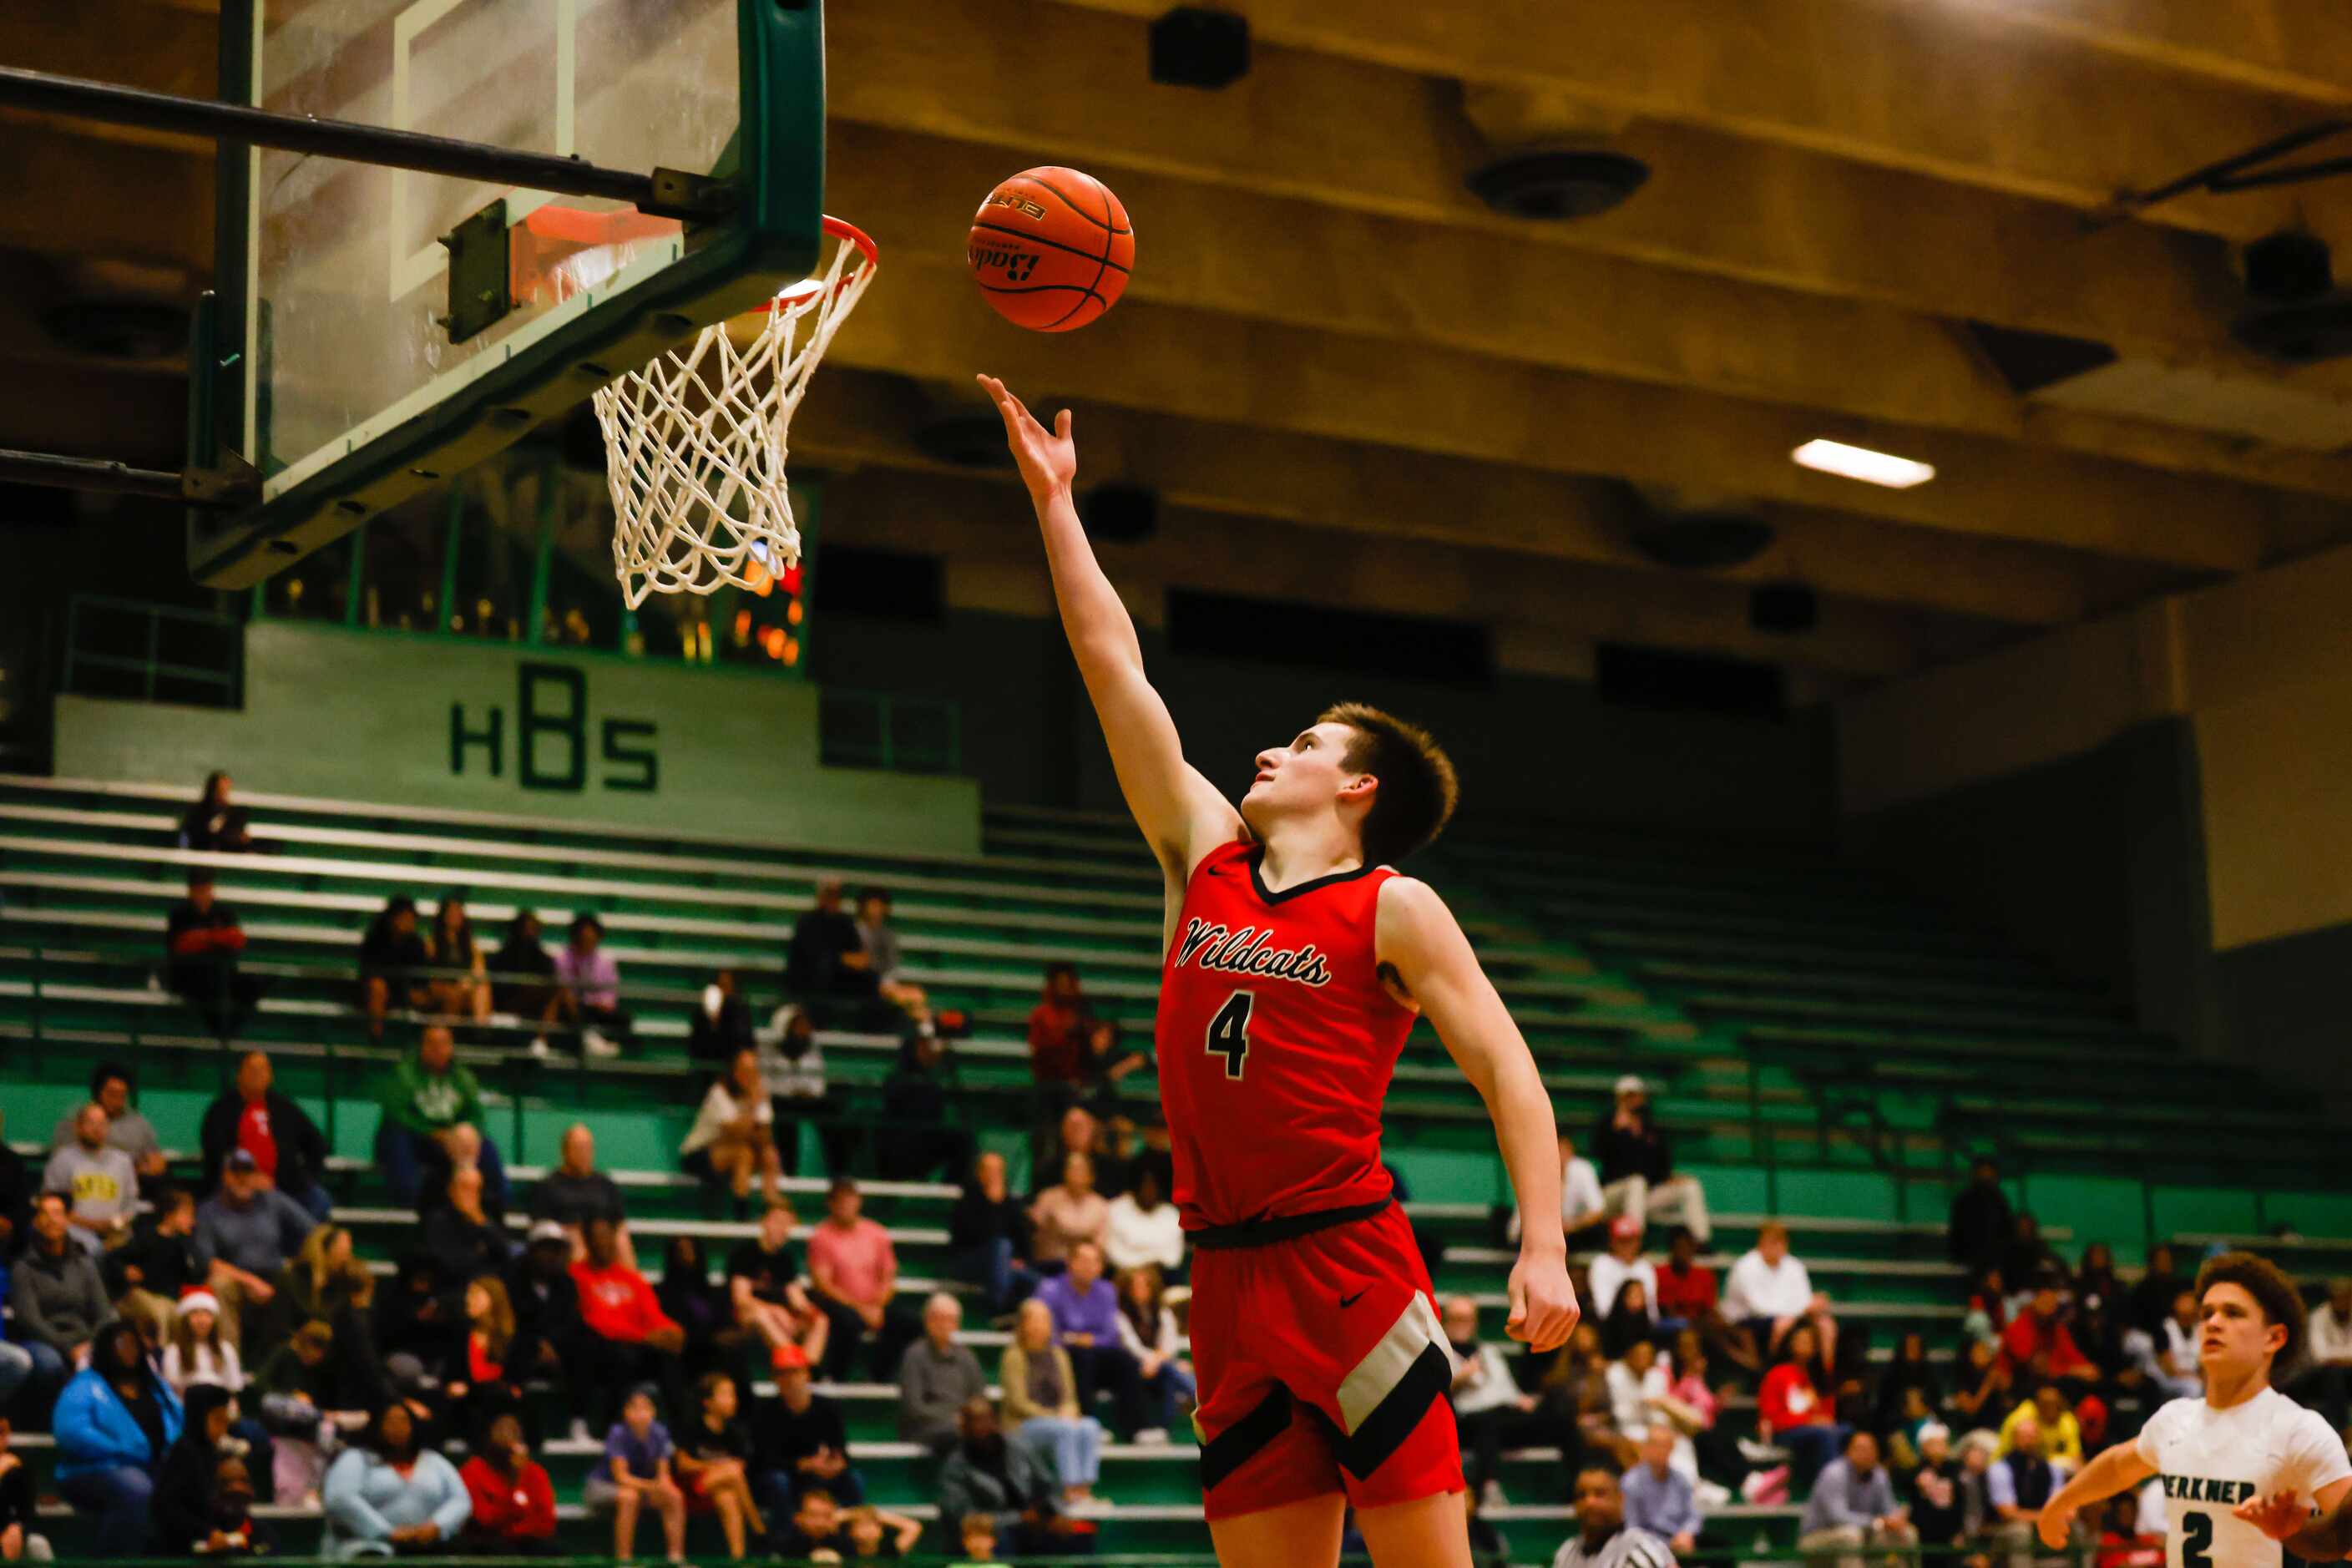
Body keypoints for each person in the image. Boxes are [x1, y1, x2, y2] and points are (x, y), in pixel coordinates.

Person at [984, 372, 1577, 1564]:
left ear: (1358, 787)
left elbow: (1510, 1071)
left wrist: (1545, 1242)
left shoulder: (1393, 907)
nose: (1270, 746)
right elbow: (1115, 671)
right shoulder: (1200, 855)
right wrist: (1056, 503)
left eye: (1304, 742)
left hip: (1346, 1260)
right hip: (1222, 1274)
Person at [2039, 1252, 2352, 1568]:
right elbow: (2119, 1466)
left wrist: (2299, 1532)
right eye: (2207, 1314)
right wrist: (2063, 1501)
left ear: (2273, 1338)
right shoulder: (2175, 1419)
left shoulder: (2299, 1430)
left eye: (2233, 1313)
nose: (2213, 1323)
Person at [54, 1321, 185, 1557]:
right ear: (106, 1348)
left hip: (156, 1466)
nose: (129, 1350)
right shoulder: (84, 1385)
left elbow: (179, 1424)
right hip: (94, 1469)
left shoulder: (157, 1388)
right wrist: (123, 1450)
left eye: (134, 1344)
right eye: (121, 1344)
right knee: (136, 1488)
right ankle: (114, 1561)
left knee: (188, 1483)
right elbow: (71, 1433)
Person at [374, 1024, 508, 1210]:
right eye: (432, 1043)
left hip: (450, 1140)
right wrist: (432, 1132)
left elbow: (476, 1114)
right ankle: (406, 1204)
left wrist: (463, 1132)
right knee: (397, 1138)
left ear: (451, 1047)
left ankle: (497, 1204)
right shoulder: (403, 1073)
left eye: (444, 1043)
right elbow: (397, 1114)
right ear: (422, 1047)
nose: (438, 1049)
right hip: (416, 1137)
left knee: (485, 1145)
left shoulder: (463, 1076)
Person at [571, 1216, 687, 1431]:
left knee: (669, 1358)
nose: (604, 1243)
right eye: (598, 1238)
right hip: (601, 1347)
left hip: (637, 1344)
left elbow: (653, 1314)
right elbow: (594, 1320)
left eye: (607, 1237)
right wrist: (643, 1337)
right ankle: (606, 1427)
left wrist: (672, 1330)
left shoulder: (631, 1278)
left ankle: (680, 1431)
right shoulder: (577, 1275)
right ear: (587, 1241)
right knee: (619, 1355)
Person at [1444, 1295, 1556, 1506]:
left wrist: (1522, 1400)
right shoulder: (1439, 1353)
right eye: (1456, 1318)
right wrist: (1457, 1381)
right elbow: (1432, 1397)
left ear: (1475, 1322)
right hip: (1467, 1420)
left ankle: (1573, 1483)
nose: (1462, 1325)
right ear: (1445, 1321)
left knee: (1559, 1416)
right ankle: (1488, 1485)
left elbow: (1507, 1389)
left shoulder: (1490, 1352)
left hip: (1504, 1415)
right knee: (1487, 1421)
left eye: (1467, 1319)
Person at [322, 1399, 470, 1559]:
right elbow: (340, 1499)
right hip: (366, 1548)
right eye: (390, 1422)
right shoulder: (355, 1459)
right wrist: (387, 1532)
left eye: (403, 1421)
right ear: (377, 1426)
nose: (397, 1428)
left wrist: (437, 1526)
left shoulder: (433, 1460)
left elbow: (460, 1500)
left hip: (426, 1548)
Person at [197, 1149, 315, 1343]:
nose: (243, 1179)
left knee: (295, 1277)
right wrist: (250, 1281)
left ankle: (292, 1357)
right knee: (219, 1284)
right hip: (237, 1279)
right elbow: (209, 1263)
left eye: (248, 1173)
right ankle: (230, 1361)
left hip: (275, 1274)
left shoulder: (272, 1200)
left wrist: (298, 1260)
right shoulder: (208, 1212)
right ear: (225, 1176)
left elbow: (312, 1229)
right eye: (236, 1173)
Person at [200, 1050, 332, 1222]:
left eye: (262, 1070)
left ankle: (296, 1248)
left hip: (283, 1187)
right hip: (238, 1185)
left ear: (270, 1076)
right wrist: (246, 1178)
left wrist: (306, 1176)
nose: (257, 1075)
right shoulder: (221, 1110)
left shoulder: (285, 1108)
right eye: (252, 1070)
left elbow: (317, 1144)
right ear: (239, 1074)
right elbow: (215, 1153)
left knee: (320, 1200)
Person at [1037, 1240, 1145, 1439]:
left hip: (1097, 1352)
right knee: (1082, 1357)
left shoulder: (1107, 1290)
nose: (1089, 1266)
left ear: (1101, 1267)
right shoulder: (1050, 1289)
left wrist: (1091, 1341)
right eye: (1083, 1260)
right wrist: (1073, 1340)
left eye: (1095, 1261)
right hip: (1063, 1356)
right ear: (1070, 1262)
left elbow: (1111, 1334)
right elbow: (1046, 1334)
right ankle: (1088, 1422)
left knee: (1126, 1361)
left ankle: (1135, 1429)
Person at [9, 1193, 104, 1411]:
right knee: (50, 1362)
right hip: (42, 1341)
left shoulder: (84, 1263)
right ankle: (48, 1419)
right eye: (45, 1213)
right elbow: (30, 1320)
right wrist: (69, 1347)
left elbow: (104, 1312)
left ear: (68, 1220)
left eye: (57, 1213)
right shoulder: (23, 1268)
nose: (52, 1219)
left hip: (84, 1338)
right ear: (35, 1222)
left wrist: (95, 1342)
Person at [807, 1178, 906, 1382]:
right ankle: (836, 1376)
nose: (846, 1205)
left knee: (910, 1324)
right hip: (840, 1303)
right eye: (840, 1201)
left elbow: (888, 1276)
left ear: (859, 1201)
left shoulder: (877, 1233)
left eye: (850, 1199)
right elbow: (823, 1284)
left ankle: (880, 1376)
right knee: (847, 1321)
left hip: (874, 1303)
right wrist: (860, 1308)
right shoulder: (821, 1236)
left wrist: (878, 1304)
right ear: (831, 1205)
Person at [1591, 1076, 1710, 1243]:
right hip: (1612, 1195)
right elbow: (1598, 1153)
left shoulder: (1651, 1128)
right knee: (1637, 1183)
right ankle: (1634, 1242)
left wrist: (1671, 1178)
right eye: (1628, 1096)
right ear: (1619, 1099)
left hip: (1643, 1195)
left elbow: (1662, 1165)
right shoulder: (1608, 1124)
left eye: (1637, 1095)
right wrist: (1616, 1130)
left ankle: (1702, 1242)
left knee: (1690, 1186)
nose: (1634, 1100)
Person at [938, 1398, 1058, 1557]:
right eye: (976, 1421)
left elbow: (1046, 1483)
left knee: (1073, 1534)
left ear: (995, 1422)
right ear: (964, 1428)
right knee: (1003, 1539)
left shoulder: (1018, 1448)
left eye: (987, 1420)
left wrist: (1053, 1511)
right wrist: (1017, 1518)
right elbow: (965, 1516)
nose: (982, 1427)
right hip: (991, 1529)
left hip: (1031, 1521)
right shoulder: (956, 1466)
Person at [756, 1345, 862, 1512]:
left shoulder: (828, 1408)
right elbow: (762, 1460)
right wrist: (802, 1464)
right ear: (775, 1379)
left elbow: (840, 1449)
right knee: (778, 1481)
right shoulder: (765, 1412)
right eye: (782, 1374)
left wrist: (836, 1464)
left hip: (819, 1473)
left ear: (807, 1374)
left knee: (853, 1479)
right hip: (787, 1475)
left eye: (795, 1372)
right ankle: (783, 1536)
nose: (790, 1379)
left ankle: (853, 1530)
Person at [725, 1201, 828, 1370]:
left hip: (781, 1316)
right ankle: (793, 1364)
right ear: (764, 1222)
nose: (783, 1228)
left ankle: (808, 1369)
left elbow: (797, 1298)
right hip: (748, 1314)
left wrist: (811, 1312)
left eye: (787, 1224)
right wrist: (774, 1310)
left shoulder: (786, 1259)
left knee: (821, 1320)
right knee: (763, 1315)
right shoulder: (744, 1253)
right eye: (778, 1222)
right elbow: (741, 1299)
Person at [589, 1385, 687, 1564]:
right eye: (634, 1407)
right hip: (604, 1487)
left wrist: (663, 1486)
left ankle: (676, 1557)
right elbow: (621, 1477)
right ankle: (624, 1561)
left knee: (674, 1495)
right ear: (625, 1411)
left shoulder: (660, 1433)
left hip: (642, 1488)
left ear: (653, 1411)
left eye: (645, 1407)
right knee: (629, 1497)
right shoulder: (617, 1433)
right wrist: (653, 1486)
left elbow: (663, 1474)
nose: (640, 1413)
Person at [107, 1181, 213, 1343]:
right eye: (187, 1215)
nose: (192, 1221)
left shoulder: (185, 1243)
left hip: (172, 1297)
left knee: (182, 1315)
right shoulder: (148, 1237)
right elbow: (113, 1257)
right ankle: (162, 1358)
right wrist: (125, 1271)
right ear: (170, 1215)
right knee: (161, 1314)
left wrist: (189, 1244)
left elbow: (198, 1271)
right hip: (143, 1293)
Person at [676, 1373, 766, 1560]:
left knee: (729, 1499)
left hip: (721, 1486)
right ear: (707, 1402)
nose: (732, 1400)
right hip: (691, 1487)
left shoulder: (735, 1432)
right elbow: (683, 1464)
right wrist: (714, 1465)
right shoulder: (692, 1426)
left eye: (733, 1395)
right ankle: (758, 1528)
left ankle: (737, 1559)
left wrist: (724, 1468)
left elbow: (740, 1466)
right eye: (725, 1394)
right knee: (732, 1472)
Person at [164, 873, 263, 1042]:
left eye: (206, 889)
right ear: (191, 892)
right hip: (190, 974)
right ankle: (219, 1031)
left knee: (253, 985)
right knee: (211, 985)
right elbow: (182, 945)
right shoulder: (180, 914)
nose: (203, 894)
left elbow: (237, 939)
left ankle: (229, 1031)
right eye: (199, 890)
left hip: (223, 970)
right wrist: (216, 938)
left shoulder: (224, 912)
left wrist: (203, 938)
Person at [1722, 1222, 1835, 1367]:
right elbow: (1759, 1308)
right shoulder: (1745, 1266)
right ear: (1761, 1242)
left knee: (1826, 1325)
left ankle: (1825, 1377)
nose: (1776, 1246)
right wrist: (1802, 1309)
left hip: (1787, 1317)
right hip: (1746, 1320)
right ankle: (1773, 1372)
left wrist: (1811, 1305)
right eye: (1771, 1241)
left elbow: (1804, 1298)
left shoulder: (1795, 1266)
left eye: (1780, 1241)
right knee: (1782, 1325)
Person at [681, 1047, 783, 1208]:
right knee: (743, 1153)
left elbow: (765, 1136)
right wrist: (752, 1106)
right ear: (734, 1072)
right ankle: (741, 1210)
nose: (750, 1077)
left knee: (769, 1153)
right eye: (745, 1071)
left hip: (738, 1149)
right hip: (700, 1152)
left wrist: (760, 1136)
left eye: (753, 1071)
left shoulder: (759, 1093)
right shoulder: (719, 1093)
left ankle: (771, 1199)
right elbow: (734, 1132)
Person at [1799, 1429, 1916, 1568]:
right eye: (1860, 1449)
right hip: (1817, 1538)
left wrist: (1897, 1518)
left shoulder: (1880, 1474)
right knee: (1850, 1535)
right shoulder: (1834, 1473)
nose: (1866, 1454)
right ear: (1848, 1452)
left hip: (1864, 1534)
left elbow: (1888, 1508)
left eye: (1870, 1449)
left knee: (1907, 1534)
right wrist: (1877, 1522)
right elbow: (1837, 1517)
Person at [149, 1383, 240, 1558]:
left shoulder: (210, 1452)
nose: (223, 1428)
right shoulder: (184, 1452)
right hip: (176, 1551)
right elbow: (167, 1507)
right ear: (199, 1417)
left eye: (225, 1420)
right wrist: (206, 1532)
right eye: (217, 1420)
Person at [529, 1123, 632, 1267]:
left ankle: (631, 1282)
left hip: (604, 1252)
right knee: (574, 1238)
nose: (583, 1153)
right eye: (578, 1148)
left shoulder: (606, 1185)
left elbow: (620, 1227)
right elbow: (540, 1231)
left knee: (620, 1237)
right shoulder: (548, 1186)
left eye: (587, 1148)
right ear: (564, 1150)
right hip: (566, 1255)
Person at [1758, 1321, 1846, 1489]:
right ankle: (1831, 1490)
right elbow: (1772, 1419)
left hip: (1814, 1430)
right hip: (1784, 1433)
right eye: (1798, 1340)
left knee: (1846, 1431)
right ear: (1790, 1344)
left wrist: (1822, 1421)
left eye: (1808, 1342)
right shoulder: (1777, 1374)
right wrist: (1808, 1420)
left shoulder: (1818, 1377)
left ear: (1815, 1347)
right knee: (1825, 1435)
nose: (1802, 1345)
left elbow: (1827, 1414)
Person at [877, 1030, 972, 1184]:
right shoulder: (897, 1077)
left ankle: (949, 1187)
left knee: (963, 1140)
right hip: (901, 1142)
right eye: (922, 1046)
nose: (929, 1050)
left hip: (928, 1138)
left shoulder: (935, 1075)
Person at [457, 1411, 557, 1555]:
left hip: (528, 1542)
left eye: (512, 1432)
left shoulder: (535, 1473)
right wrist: (513, 1481)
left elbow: (546, 1523)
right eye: (500, 1431)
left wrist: (514, 1531)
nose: (506, 1437)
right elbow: (485, 1521)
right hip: (488, 1544)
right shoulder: (472, 1471)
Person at [1114, 1262, 1195, 1441]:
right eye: (1135, 1286)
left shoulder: (1162, 1312)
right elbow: (1131, 1345)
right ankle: (1196, 1395)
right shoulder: (1120, 1314)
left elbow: (1170, 1344)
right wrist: (1155, 1360)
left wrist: (1158, 1360)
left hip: (1159, 1366)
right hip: (1135, 1366)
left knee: (1169, 1374)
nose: (1140, 1290)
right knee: (1173, 1370)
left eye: (1145, 1285)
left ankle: (1163, 1427)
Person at [950, 1151, 1038, 1314]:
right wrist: (993, 1205)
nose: (992, 1175)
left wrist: (1019, 1260)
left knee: (1036, 1281)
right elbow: (972, 1238)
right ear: (979, 1173)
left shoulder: (1011, 1203)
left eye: (997, 1171)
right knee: (1001, 1246)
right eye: (987, 1170)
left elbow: (1023, 1240)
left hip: (1002, 1264)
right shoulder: (966, 1202)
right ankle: (998, 1308)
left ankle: (1012, 1315)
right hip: (968, 1261)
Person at [899, 1293, 989, 1454]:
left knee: (1001, 1438)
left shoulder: (966, 1356)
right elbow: (914, 1407)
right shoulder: (914, 1355)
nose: (944, 1324)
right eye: (939, 1318)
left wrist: (968, 1419)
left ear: (957, 1324)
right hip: (926, 1428)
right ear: (928, 1321)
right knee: (959, 1437)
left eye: (950, 1319)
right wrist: (954, 1419)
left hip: (963, 1425)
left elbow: (979, 1398)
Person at [51, 1064, 169, 1183]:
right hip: (81, 1180)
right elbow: (60, 1162)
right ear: (97, 1092)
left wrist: (144, 1167)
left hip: (129, 1180)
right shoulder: (74, 1122)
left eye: (122, 1095)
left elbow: (155, 1160)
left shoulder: (139, 1124)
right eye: (112, 1094)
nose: (117, 1100)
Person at [761, 1004, 842, 1178]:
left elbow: (819, 1081)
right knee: (784, 1120)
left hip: (808, 1100)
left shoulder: (812, 1048)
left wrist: (809, 1092)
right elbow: (765, 1084)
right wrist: (791, 1091)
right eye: (797, 1026)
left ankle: (837, 1171)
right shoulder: (768, 1050)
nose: (803, 1030)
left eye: (805, 1025)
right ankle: (788, 1172)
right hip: (781, 1101)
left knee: (833, 1111)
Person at [45, 1101, 139, 1251]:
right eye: (91, 1123)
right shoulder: (62, 1160)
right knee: (91, 1247)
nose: (97, 1129)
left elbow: (131, 1204)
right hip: (74, 1233)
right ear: (78, 1127)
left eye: (102, 1124)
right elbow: (54, 1205)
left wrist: (115, 1224)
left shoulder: (123, 1161)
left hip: (115, 1233)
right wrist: (92, 1225)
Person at [1547, 1465, 1679, 1568]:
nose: (1590, 1502)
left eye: (1600, 1494)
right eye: (1582, 1495)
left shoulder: (1641, 1549)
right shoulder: (1566, 1552)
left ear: (1620, 1499)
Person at [787, 878, 878, 1016]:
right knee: (823, 968)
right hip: (810, 974)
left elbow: (855, 950)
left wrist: (857, 960)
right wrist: (840, 958)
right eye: (830, 894)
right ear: (821, 896)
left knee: (869, 976)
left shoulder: (845, 921)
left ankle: (866, 1023)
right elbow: (809, 954)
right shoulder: (807, 920)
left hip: (840, 973)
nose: (833, 899)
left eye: (837, 895)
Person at [554, 912, 631, 1058]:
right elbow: (562, 987)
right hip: (573, 1006)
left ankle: (604, 1044)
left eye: (591, 938)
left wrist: (604, 1003)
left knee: (623, 1018)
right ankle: (589, 1040)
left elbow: (610, 990)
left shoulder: (606, 960)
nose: (587, 942)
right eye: (583, 938)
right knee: (572, 1010)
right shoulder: (562, 958)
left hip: (597, 1008)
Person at [2003, 1269, 2099, 1384]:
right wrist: (2071, 1371)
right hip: (2020, 1386)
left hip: (2055, 1383)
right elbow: (2035, 1369)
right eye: (2044, 1299)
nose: (2049, 1304)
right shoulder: (2017, 1327)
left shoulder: (2056, 1328)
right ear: (2033, 1300)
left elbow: (2077, 1359)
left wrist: (2086, 1369)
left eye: (2052, 1300)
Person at [855, 888, 932, 1029]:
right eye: (872, 904)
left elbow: (891, 965)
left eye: (879, 905)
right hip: (859, 984)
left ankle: (926, 1031)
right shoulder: (853, 932)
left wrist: (886, 984)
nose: (876, 909)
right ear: (863, 906)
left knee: (917, 995)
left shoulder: (888, 935)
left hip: (883, 984)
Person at [357, 895, 432, 1043]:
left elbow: (421, 975)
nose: (408, 923)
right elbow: (369, 971)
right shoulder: (375, 939)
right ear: (392, 918)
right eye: (404, 918)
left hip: (406, 991)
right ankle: (375, 1037)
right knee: (377, 987)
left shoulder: (417, 943)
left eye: (411, 919)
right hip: (376, 992)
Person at [421, 1166, 508, 1284]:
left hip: (486, 1286)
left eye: (476, 1189)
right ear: (451, 1190)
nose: (471, 1195)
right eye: (465, 1188)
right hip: (451, 1286)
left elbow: (504, 1257)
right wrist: (479, 1253)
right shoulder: (438, 1220)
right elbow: (449, 1263)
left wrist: (481, 1222)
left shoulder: (488, 1216)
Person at [1623, 1425, 1701, 1557]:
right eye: (1655, 1445)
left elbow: (1693, 1515)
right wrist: (1665, 1544)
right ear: (1646, 1448)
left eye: (1665, 1446)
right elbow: (1632, 1528)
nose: (1660, 1450)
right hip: (1647, 1547)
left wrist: (1686, 1534)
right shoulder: (1632, 1482)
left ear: (1672, 1448)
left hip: (1680, 1542)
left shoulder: (1680, 1479)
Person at [488, 911, 561, 1048]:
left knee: (554, 993)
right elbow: (496, 983)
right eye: (525, 928)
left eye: (532, 929)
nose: (528, 933)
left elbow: (550, 981)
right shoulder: (503, 955)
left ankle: (541, 1041)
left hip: (534, 1006)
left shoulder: (542, 958)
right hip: (507, 1000)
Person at [1029, 1151, 1110, 1272]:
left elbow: (1101, 1245)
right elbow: (1032, 1232)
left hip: (1085, 1270)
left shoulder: (1100, 1205)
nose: (1076, 1173)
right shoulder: (1048, 1198)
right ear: (1064, 1173)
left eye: (1080, 1169)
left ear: (1091, 1175)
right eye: (1072, 1168)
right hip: (1050, 1265)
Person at [424, 893, 493, 1024]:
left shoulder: (470, 944)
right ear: (444, 915)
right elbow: (430, 973)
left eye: (458, 912)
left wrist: (467, 983)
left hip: (464, 987)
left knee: (482, 988)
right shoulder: (432, 943)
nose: (455, 916)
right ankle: (450, 1034)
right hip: (440, 987)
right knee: (453, 995)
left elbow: (479, 970)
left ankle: (481, 1030)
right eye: (451, 912)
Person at [2297, 1279, 2352, 1432]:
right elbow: (2320, 1356)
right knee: (2334, 1376)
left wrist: (2336, 1358)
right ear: (2331, 1300)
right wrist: (2345, 1358)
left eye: (2346, 1298)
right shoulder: (2318, 1317)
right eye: (2338, 1298)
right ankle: (2343, 1431)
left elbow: (2329, 1355)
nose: (2342, 1302)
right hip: (2322, 1375)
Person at [1026, 963, 1090, 1090]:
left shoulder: (1082, 1013)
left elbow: (1090, 1051)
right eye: (1061, 984)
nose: (1064, 989)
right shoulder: (1041, 1014)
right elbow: (1035, 1048)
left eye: (1068, 984)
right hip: (1047, 1081)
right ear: (1053, 985)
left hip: (1076, 1082)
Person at [1589, 1216, 1658, 1332]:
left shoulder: (1645, 1267)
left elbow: (1652, 1312)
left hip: (1643, 1326)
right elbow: (1603, 1310)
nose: (1627, 1245)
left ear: (1639, 1241)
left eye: (1631, 1240)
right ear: (1612, 1241)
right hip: (1612, 1328)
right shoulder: (1601, 1264)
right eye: (1622, 1240)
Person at [1948, 1156, 2015, 1275]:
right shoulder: (1964, 1200)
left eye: (1989, 1173)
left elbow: (2005, 1231)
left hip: (1995, 1259)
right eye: (1983, 1173)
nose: (1986, 1176)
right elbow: (1959, 1234)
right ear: (1975, 1174)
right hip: (1971, 1258)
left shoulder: (2000, 1201)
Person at [0, 1414, 51, 1563]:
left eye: (2, 1433)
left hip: (8, 1533)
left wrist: (16, 1527)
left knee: (38, 1545)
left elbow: (27, 1513)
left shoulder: (17, 1469)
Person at [2000, 1383, 2086, 1471]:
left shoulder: (2067, 1421)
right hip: (2017, 1466)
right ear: (2037, 1404)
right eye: (2046, 1405)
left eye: (2055, 1405)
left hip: (2050, 1468)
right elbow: (2006, 1452)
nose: (2051, 1409)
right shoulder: (2021, 1418)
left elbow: (2076, 1456)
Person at [689, 969, 757, 1067]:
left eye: (727, 986)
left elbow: (746, 1043)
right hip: (708, 1062)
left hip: (733, 1063)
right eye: (721, 986)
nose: (725, 992)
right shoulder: (702, 1012)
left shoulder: (741, 1010)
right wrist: (712, 1020)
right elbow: (696, 1047)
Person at [180, 771, 255, 852]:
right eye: (220, 790)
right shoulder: (196, 812)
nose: (222, 794)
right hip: (200, 855)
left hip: (227, 856)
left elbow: (237, 837)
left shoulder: (235, 814)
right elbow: (190, 835)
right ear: (211, 790)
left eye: (225, 790)